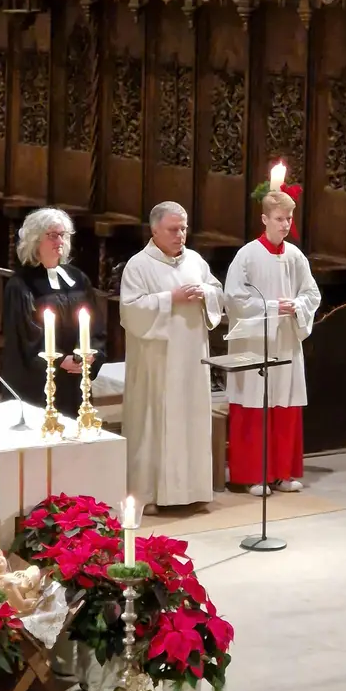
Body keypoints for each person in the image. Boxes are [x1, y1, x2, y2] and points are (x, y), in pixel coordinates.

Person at [119, 202, 223, 510]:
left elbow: (217, 291)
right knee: (154, 423)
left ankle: (193, 492)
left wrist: (207, 294)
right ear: (154, 230)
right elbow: (130, 310)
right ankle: (150, 494)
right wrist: (169, 299)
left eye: (184, 228)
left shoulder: (196, 260)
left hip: (191, 359)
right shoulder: (138, 265)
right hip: (157, 362)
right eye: (173, 229)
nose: (180, 235)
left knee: (191, 420)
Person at [224, 190, 321, 496]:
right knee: (255, 406)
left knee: (285, 404)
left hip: (287, 341)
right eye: (279, 219)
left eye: (289, 218)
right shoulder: (247, 255)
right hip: (255, 343)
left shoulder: (295, 256)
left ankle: (282, 473)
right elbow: (234, 298)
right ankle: (253, 475)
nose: (285, 224)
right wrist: (271, 307)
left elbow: (311, 294)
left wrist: (298, 306)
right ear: (264, 219)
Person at [1, 208, 106, 417]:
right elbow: (24, 336)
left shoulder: (78, 279)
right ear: (35, 240)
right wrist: (57, 361)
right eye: (52, 235)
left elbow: (94, 325)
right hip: (39, 383)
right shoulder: (22, 284)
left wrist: (91, 355)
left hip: (76, 377)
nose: (60, 241)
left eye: (63, 235)